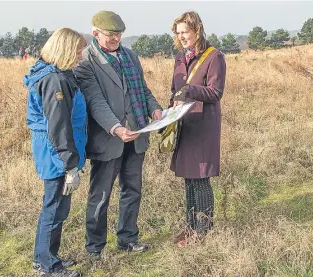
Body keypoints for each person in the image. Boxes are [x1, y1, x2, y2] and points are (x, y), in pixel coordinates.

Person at [74, 10, 162, 259]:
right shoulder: (85, 62)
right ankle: (95, 249)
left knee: (132, 190)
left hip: (137, 137)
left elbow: (142, 90)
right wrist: (116, 128)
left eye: (119, 34)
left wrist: (154, 109)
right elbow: (95, 101)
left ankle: (127, 239)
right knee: (100, 196)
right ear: (95, 33)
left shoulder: (131, 56)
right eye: (111, 35)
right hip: (108, 139)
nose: (116, 39)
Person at [23, 28, 87, 277]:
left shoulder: (59, 74)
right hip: (56, 154)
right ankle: (47, 265)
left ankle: (46, 257)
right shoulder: (54, 81)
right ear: (67, 50)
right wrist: (70, 165)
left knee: (57, 206)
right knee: (54, 207)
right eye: (79, 50)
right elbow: (59, 126)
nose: (81, 55)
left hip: (56, 151)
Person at [169, 11, 226, 247]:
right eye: (178, 33)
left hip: (203, 126)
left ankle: (203, 232)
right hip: (184, 124)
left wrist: (190, 90)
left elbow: (215, 92)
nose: (182, 37)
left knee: (201, 179)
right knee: (188, 179)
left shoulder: (215, 57)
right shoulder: (180, 57)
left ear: (197, 30)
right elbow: (175, 90)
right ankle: (191, 226)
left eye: (185, 32)